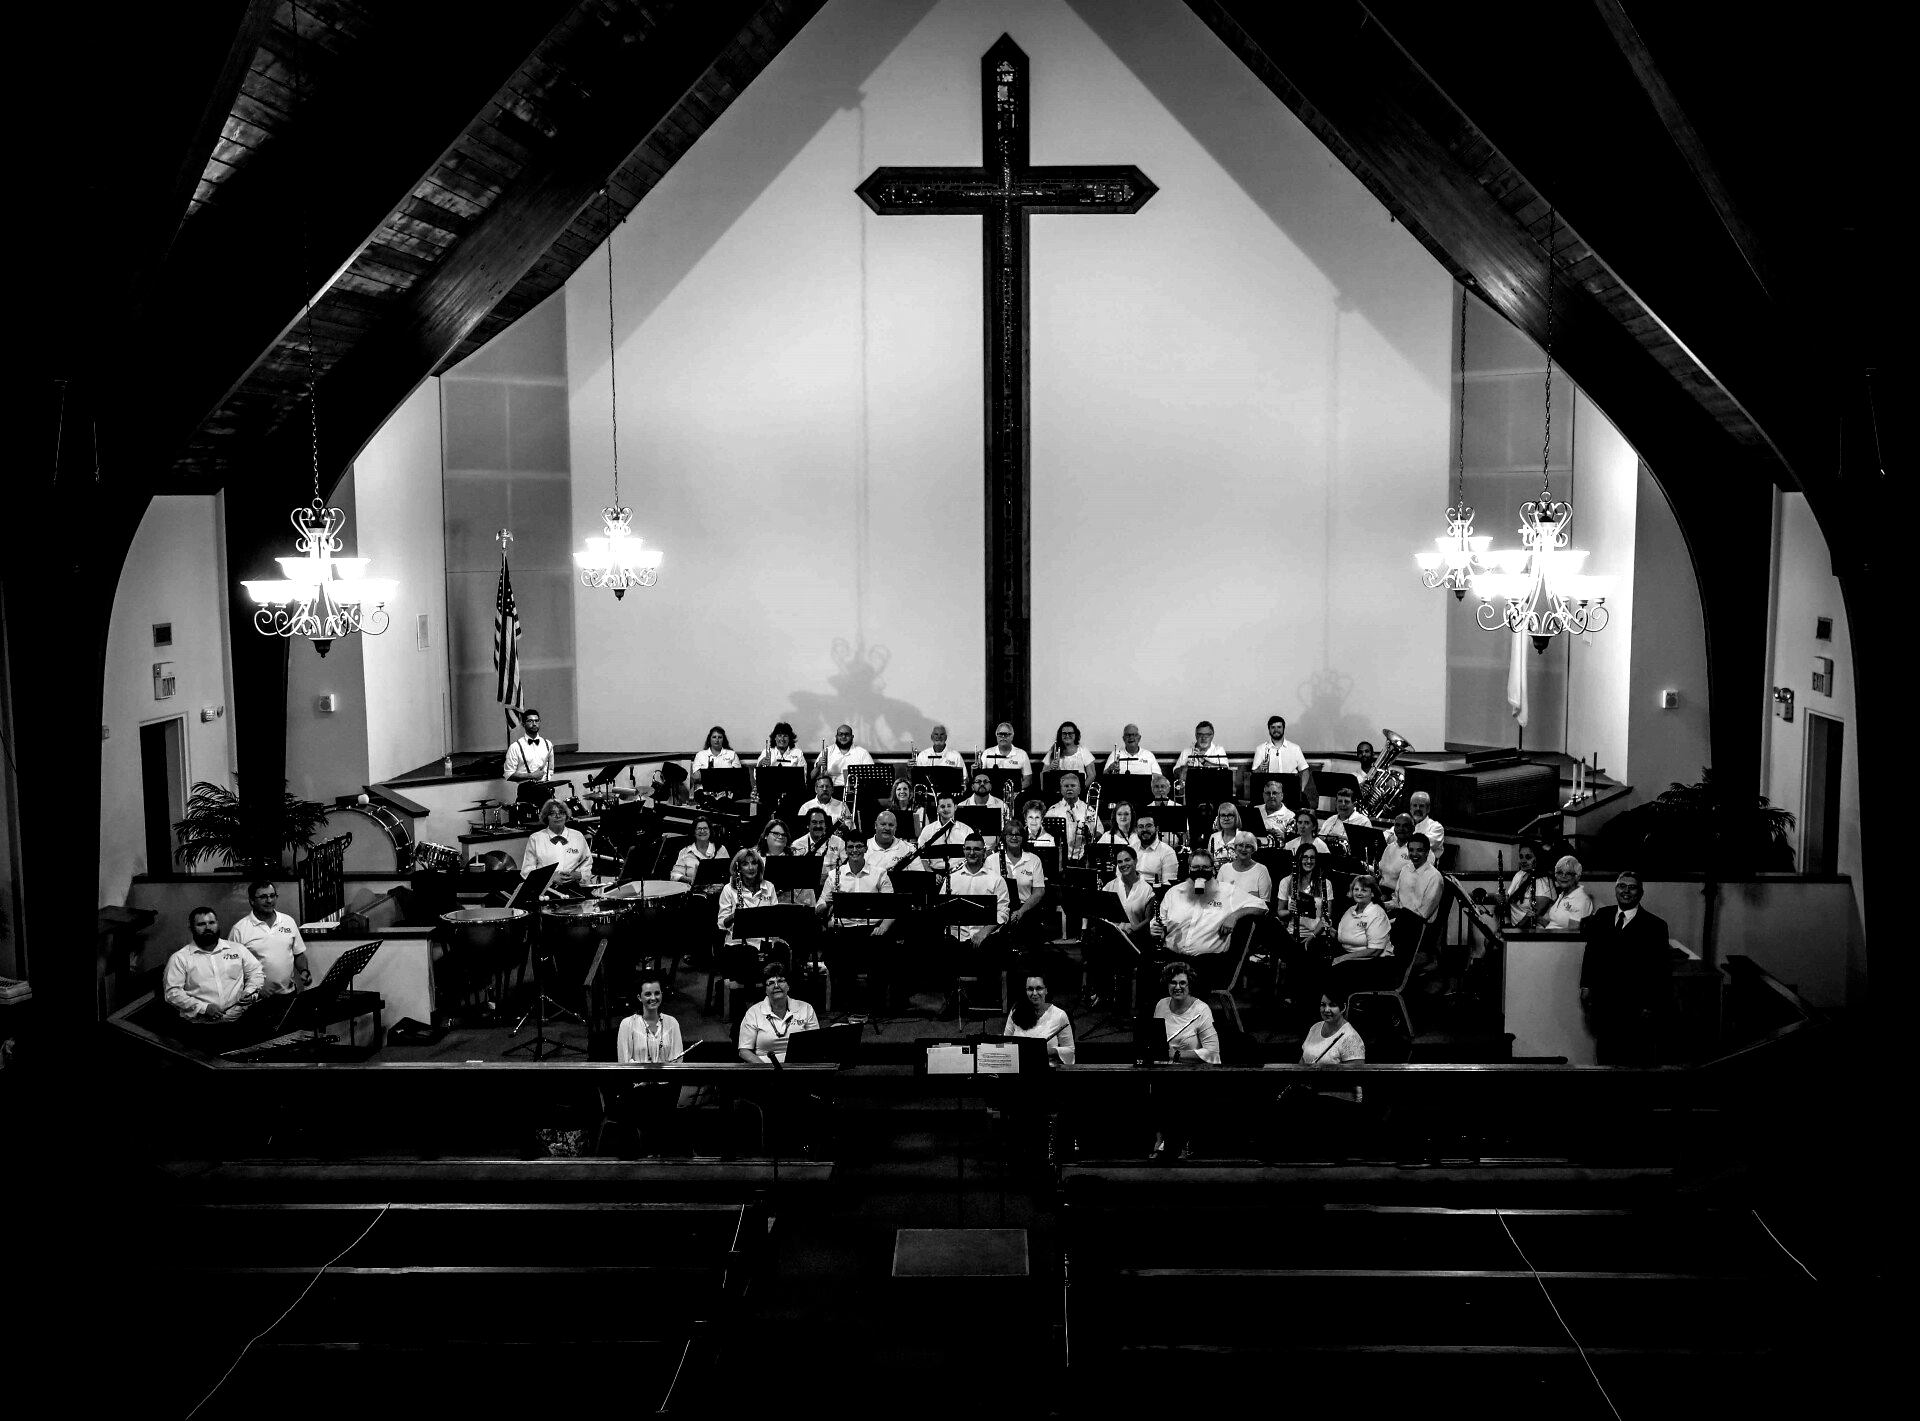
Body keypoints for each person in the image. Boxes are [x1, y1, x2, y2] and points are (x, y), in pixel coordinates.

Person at [1580, 870, 1672, 1064]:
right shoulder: (1603, 916)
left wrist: (1650, 1004)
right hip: (1605, 1003)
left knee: (1635, 1059)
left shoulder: (1655, 926)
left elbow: (1660, 970)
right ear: (1616, 889)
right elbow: (1591, 953)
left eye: (1632, 888)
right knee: (1605, 1055)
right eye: (1622, 886)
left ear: (1640, 893)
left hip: (1635, 1007)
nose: (1626, 891)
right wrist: (1586, 985)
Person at [1150, 848, 1269, 977]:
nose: (1200, 871)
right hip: (1172, 956)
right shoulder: (1174, 893)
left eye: (1205, 867)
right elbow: (1159, 922)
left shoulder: (1227, 892)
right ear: (1189, 868)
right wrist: (1157, 929)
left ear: (1213, 869)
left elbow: (1261, 906)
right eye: (1195, 867)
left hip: (1206, 961)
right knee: (1146, 964)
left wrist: (1234, 916)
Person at [816, 837, 896, 1022]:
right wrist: (830, 901)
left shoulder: (879, 873)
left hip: (872, 930)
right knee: (832, 954)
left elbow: (892, 908)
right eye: (850, 846)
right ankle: (854, 1003)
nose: (854, 850)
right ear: (846, 850)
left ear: (866, 848)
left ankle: (875, 1005)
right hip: (844, 930)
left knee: (886, 951)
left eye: (858, 846)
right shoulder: (834, 875)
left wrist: (883, 927)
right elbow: (818, 909)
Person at [164, 907, 265, 1025]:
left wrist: (249, 992)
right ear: (191, 928)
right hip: (200, 1028)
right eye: (201, 924)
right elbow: (173, 993)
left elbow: (256, 973)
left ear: (217, 924)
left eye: (211, 923)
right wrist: (204, 1008)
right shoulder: (179, 958)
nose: (207, 928)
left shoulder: (238, 949)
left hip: (240, 1022)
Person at [227, 879, 309, 997]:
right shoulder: (239, 930)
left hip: (289, 994)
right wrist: (255, 988)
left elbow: (298, 954)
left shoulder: (288, 921)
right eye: (263, 897)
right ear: (252, 901)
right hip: (258, 998)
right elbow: (233, 969)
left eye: (272, 896)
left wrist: (304, 971)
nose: (269, 900)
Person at [736, 960, 819, 1063]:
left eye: (780, 981)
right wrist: (766, 1070)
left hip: (798, 1067)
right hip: (764, 1068)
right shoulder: (753, 1012)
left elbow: (815, 1045)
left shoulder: (806, 1008)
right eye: (770, 983)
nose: (776, 986)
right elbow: (744, 1051)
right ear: (765, 990)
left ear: (788, 986)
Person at [1296, 990, 1367, 1105]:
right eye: (1323, 1005)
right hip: (1309, 1097)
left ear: (1343, 1008)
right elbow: (1303, 1059)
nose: (1326, 1010)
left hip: (1336, 1103)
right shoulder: (1315, 1027)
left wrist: (1317, 1085)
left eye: (1332, 1005)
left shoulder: (1351, 1038)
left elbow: (1353, 1082)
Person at [1153, 960, 1220, 1066]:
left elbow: (1213, 1054)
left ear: (1190, 985)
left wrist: (1176, 1055)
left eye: (1182, 983)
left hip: (1189, 1072)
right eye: (1173, 982)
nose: (1177, 987)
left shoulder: (1202, 1010)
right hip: (1163, 1069)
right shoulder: (1161, 1005)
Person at [1005, 969, 1076, 1065]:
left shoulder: (1060, 1015)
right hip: (1019, 1067)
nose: (1034, 993)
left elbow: (1070, 1050)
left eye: (1039, 988)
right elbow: (1006, 1042)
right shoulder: (1015, 1011)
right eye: (1030, 989)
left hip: (1046, 1068)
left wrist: (1049, 1051)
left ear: (1046, 990)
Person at [617, 974, 686, 1064]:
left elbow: (677, 1061)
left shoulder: (672, 1023)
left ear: (662, 994)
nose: (653, 998)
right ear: (639, 997)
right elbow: (624, 1062)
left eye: (657, 993)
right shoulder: (627, 1024)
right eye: (648, 994)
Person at [523, 799, 591, 887]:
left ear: (566, 815)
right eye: (552, 813)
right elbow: (526, 871)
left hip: (574, 887)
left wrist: (579, 875)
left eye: (561, 812)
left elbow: (587, 863)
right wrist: (550, 878)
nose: (558, 816)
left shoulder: (578, 836)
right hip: (546, 889)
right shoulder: (536, 838)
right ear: (546, 817)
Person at [1328, 872, 1392, 965]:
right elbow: (1344, 937)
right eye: (1356, 889)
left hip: (1373, 961)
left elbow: (1375, 950)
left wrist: (1342, 958)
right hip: (1349, 956)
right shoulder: (1350, 910)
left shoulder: (1377, 914)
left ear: (1372, 893)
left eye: (1364, 890)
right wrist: (1329, 929)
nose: (1359, 893)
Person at [1251, 714, 1310, 793]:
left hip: (1291, 789)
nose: (1276, 730)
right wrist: (1259, 769)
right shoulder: (1260, 749)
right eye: (1273, 727)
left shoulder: (1295, 748)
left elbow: (1305, 771)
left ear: (1283, 729)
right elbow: (1254, 774)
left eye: (1279, 727)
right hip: (1270, 791)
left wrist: (1300, 790)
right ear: (1269, 730)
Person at [1503, 841, 1555, 930]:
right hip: (1517, 929)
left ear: (1538, 858)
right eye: (1521, 856)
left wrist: (1512, 932)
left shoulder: (1543, 883)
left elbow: (1531, 918)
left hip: (1534, 933)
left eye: (1528, 857)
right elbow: (1509, 899)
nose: (1523, 861)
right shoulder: (1520, 874)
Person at [1105, 845, 1157, 936]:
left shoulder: (1147, 889)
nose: (1123, 864)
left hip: (1136, 940)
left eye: (1127, 860)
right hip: (1111, 937)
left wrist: (1132, 930)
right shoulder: (1110, 886)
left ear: (1135, 861)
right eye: (1120, 862)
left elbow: (1148, 919)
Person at [1046, 770, 1098, 857]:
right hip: (1058, 856)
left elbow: (1099, 831)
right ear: (1061, 790)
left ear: (1079, 789)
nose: (1069, 789)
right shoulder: (1053, 810)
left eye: (1073, 786)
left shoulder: (1088, 810)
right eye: (1066, 786)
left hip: (1082, 856)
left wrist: (1089, 833)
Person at [1539, 855, 1595, 931]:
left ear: (1577, 876)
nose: (1563, 876)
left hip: (1560, 941)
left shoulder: (1581, 900)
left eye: (1568, 873)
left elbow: (1572, 933)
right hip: (1549, 938)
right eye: (1559, 873)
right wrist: (1536, 917)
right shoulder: (1562, 895)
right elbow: (1553, 924)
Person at [978, 721, 1032, 797]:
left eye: (1006, 734)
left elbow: (1028, 779)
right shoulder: (987, 753)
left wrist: (1014, 791)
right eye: (1000, 734)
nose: (1003, 737)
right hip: (990, 795)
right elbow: (980, 776)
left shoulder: (1022, 754)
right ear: (996, 735)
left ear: (1012, 736)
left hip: (1015, 795)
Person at [1217, 832, 1272, 905]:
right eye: (1240, 845)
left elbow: (1265, 903)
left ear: (1253, 849)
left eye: (1248, 846)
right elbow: (1218, 897)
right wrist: (1249, 897)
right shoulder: (1224, 868)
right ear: (1235, 848)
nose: (1243, 849)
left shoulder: (1261, 870)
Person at [670, 816, 727, 885]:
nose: (702, 831)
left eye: (705, 828)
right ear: (694, 832)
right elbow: (675, 874)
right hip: (694, 891)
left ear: (710, 831)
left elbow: (729, 872)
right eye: (699, 829)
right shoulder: (685, 852)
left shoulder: (721, 849)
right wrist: (690, 880)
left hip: (718, 892)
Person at [1131, 811, 1180, 887]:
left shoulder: (1168, 852)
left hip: (1155, 894)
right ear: (1136, 830)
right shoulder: (1131, 849)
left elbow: (1168, 885)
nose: (1144, 830)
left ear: (1157, 828)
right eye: (1140, 827)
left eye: (1148, 826)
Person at [504, 708, 553, 782]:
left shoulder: (548, 744)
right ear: (523, 724)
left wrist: (546, 778)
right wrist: (531, 775)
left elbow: (550, 770)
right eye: (530, 721)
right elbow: (508, 774)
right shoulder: (515, 747)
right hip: (526, 789)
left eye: (536, 721)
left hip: (545, 788)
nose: (534, 724)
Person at [866, 809, 917, 876]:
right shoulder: (863, 848)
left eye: (891, 825)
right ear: (875, 825)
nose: (887, 828)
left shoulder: (909, 849)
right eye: (883, 824)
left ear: (895, 828)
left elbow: (919, 877)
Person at [690, 726, 741, 792]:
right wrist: (723, 775)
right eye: (714, 737)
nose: (717, 740)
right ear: (709, 739)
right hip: (704, 790)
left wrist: (709, 775)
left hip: (726, 790)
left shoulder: (732, 754)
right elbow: (696, 778)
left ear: (723, 739)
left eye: (719, 737)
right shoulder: (700, 755)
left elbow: (737, 777)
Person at [822, 723, 874, 788]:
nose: (843, 737)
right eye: (841, 734)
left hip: (856, 789)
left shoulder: (863, 753)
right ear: (836, 737)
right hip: (831, 790)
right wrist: (818, 766)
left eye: (847, 734)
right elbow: (812, 777)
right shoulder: (827, 751)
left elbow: (871, 775)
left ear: (852, 737)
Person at [1376, 814, 1416, 898]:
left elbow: (1414, 885)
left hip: (1399, 896)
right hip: (1380, 890)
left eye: (1405, 826)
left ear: (1413, 829)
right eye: (1397, 825)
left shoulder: (1417, 851)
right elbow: (1380, 872)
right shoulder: (1389, 847)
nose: (1400, 829)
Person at [1254, 780, 1295, 845]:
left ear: (1281, 796)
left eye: (1274, 793)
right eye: (1268, 793)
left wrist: (1283, 836)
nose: (1271, 796)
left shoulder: (1290, 816)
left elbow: (1292, 842)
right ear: (1263, 795)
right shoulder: (1255, 810)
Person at [1408, 791, 1445, 856]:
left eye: (1421, 806)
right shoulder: (1404, 823)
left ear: (1428, 809)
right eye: (1415, 805)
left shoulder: (1436, 827)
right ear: (1410, 808)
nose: (1418, 809)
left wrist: (1400, 838)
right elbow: (1387, 837)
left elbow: (1421, 845)